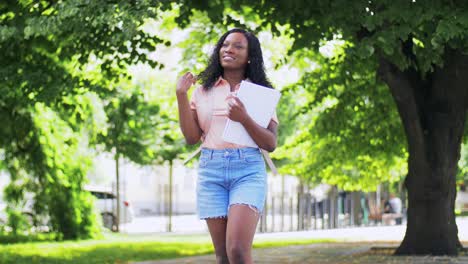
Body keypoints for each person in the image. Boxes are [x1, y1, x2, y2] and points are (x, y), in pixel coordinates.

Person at [176, 28, 278, 264]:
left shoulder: (261, 93)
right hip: (211, 170)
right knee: (223, 256)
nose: (229, 49)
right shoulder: (203, 91)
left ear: (250, 56)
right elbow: (191, 138)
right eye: (225, 45)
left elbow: (270, 143)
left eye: (238, 46)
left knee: (238, 252)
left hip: (248, 170)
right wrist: (182, 95)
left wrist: (244, 118)